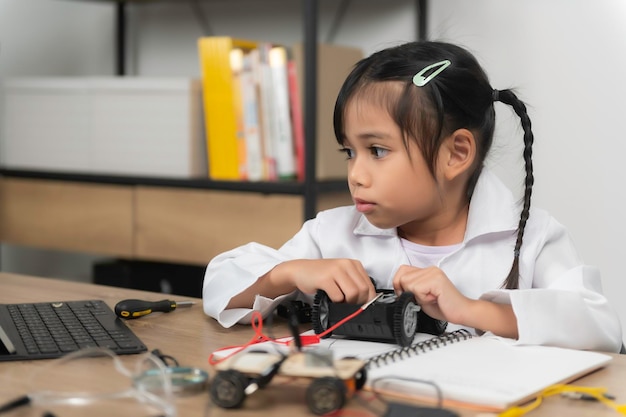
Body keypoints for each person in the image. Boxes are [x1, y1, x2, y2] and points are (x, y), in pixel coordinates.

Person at [203, 41, 623, 353]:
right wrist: (288, 273)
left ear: (455, 154)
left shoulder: (531, 239)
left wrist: (469, 310)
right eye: (349, 151)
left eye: (378, 151)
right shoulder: (332, 233)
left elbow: (601, 328)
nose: (356, 174)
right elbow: (219, 285)